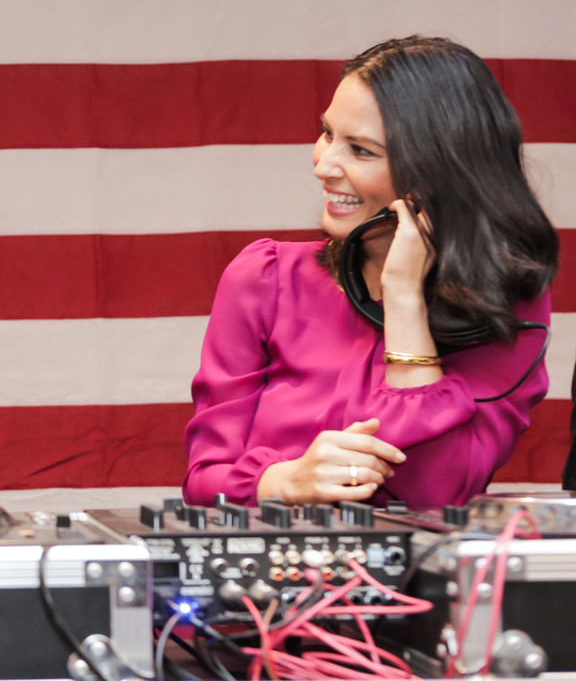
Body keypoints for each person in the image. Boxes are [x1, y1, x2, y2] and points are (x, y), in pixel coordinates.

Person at [184, 36, 558, 509]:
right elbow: (204, 481)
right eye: (327, 133)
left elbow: (435, 493)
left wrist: (402, 296)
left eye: (361, 150)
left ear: (439, 173)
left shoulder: (505, 304)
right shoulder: (264, 278)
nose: (324, 165)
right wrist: (283, 482)